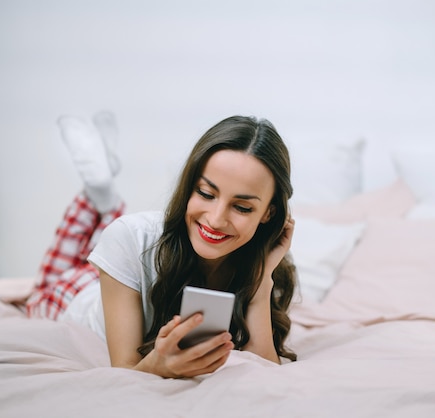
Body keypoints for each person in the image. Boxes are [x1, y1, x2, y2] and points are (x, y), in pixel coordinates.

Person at [26, 112, 297, 378]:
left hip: (122, 270)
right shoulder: (129, 237)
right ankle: (100, 195)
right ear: (189, 186)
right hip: (76, 294)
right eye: (205, 193)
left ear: (268, 214)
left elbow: (265, 374)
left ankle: (104, 194)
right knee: (38, 293)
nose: (215, 220)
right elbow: (125, 370)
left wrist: (261, 283)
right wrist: (158, 366)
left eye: (241, 207)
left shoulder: (270, 268)